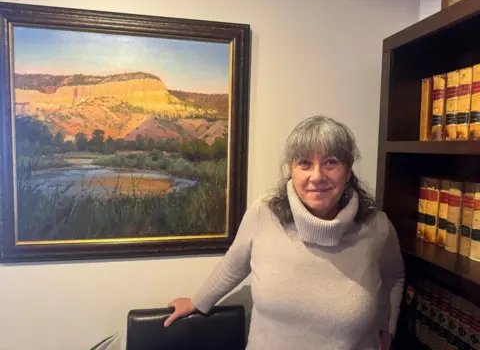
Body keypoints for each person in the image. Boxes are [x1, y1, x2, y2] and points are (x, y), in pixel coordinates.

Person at [164, 115, 405, 350]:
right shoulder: (264, 213)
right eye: (304, 163)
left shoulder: (377, 227)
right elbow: (234, 264)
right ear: (291, 168)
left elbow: (394, 275)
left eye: (331, 162)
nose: (317, 176)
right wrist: (197, 302)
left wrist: (387, 326)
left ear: (348, 168)